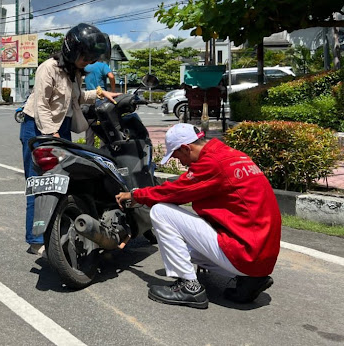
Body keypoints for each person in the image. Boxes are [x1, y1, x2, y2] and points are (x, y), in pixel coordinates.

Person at [115, 123, 281, 309]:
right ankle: (251, 280)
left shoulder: (212, 163)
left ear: (187, 148)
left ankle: (189, 287)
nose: (182, 164)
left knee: (161, 211)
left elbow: (175, 192)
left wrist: (136, 195)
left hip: (245, 253)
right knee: (187, 250)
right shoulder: (234, 156)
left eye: (178, 156)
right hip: (261, 258)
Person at [20, 23, 120, 255]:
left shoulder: (73, 72)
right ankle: (35, 240)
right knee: (39, 185)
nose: (88, 62)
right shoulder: (48, 68)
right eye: (85, 57)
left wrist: (99, 93)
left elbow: (75, 99)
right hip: (36, 128)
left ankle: (56, 232)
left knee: (63, 183)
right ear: (73, 51)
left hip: (60, 129)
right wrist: (48, 134)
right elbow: (42, 105)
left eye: (91, 58)